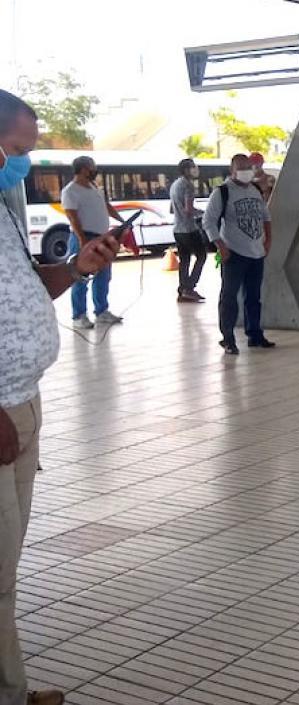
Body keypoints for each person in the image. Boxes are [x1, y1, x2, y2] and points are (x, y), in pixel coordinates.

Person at [1, 89, 120, 705]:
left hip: (21, 401)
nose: (18, 164)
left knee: (4, 566)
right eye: (13, 150)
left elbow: (25, 289)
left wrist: (77, 267)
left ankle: (11, 688)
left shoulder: (2, 210)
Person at [204, 154, 275, 355]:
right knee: (229, 296)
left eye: (248, 167)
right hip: (233, 254)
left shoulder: (255, 190)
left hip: (256, 253)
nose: (246, 171)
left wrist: (268, 240)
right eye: (241, 168)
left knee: (253, 297)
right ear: (232, 170)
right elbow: (208, 221)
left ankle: (255, 335)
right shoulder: (222, 192)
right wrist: (220, 246)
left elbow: (266, 217)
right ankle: (228, 338)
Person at [62, 155, 125, 330]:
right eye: (92, 167)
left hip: (102, 237)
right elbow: (72, 217)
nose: (95, 171)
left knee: (103, 276)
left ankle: (102, 311)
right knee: (80, 278)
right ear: (83, 169)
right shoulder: (70, 191)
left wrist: (122, 221)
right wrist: (82, 240)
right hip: (84, 238)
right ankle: (79, 315)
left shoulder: (94, 187)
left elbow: (106, 206)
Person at [170, 158, 207, 303]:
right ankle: (190, 287)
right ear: (186, 170)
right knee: (201, 256)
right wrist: (204, 213)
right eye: (192, 167)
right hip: (189, 229)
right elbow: (189, 210)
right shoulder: (188, 186)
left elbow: (172, 209)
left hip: (177, 229)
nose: (195, 170)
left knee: (184, 260)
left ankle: (182, 290)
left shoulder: (174, 185)